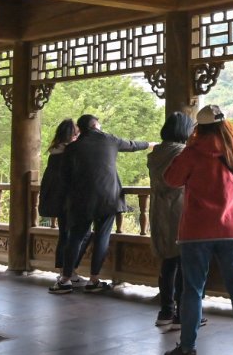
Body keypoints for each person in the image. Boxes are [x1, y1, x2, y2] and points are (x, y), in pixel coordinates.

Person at [162, 104, 233, 355]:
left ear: (199, 128)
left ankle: (188, 348)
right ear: (226, 124)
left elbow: (171, 180)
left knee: (192, 289)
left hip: (196, 230)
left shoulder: (191, 153)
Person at [50, 114, 151, 294]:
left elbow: (64, 178)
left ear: (81, 129)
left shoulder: (72, 148)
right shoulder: (109, 140)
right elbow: (132, 145)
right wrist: (151, 144)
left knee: (75, 237)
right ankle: (94, 279)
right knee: (102, 237)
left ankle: (65, 280)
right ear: (96, 125)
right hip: (108, 198)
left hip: (81, 200)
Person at [147, 111, 195, 328]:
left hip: (159, 209)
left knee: (167, 262)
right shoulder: (183, 153)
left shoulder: (156, 153)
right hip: (180, 209)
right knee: (184, 262)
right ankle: (182, 315)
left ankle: (165, 311)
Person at [39, 118, 88, 290]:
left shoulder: (54, 152)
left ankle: (64, 271)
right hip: (70, 200)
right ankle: (69, 273)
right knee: (77, 235)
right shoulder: (69, 153)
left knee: (64, 235)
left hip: (58, 200)